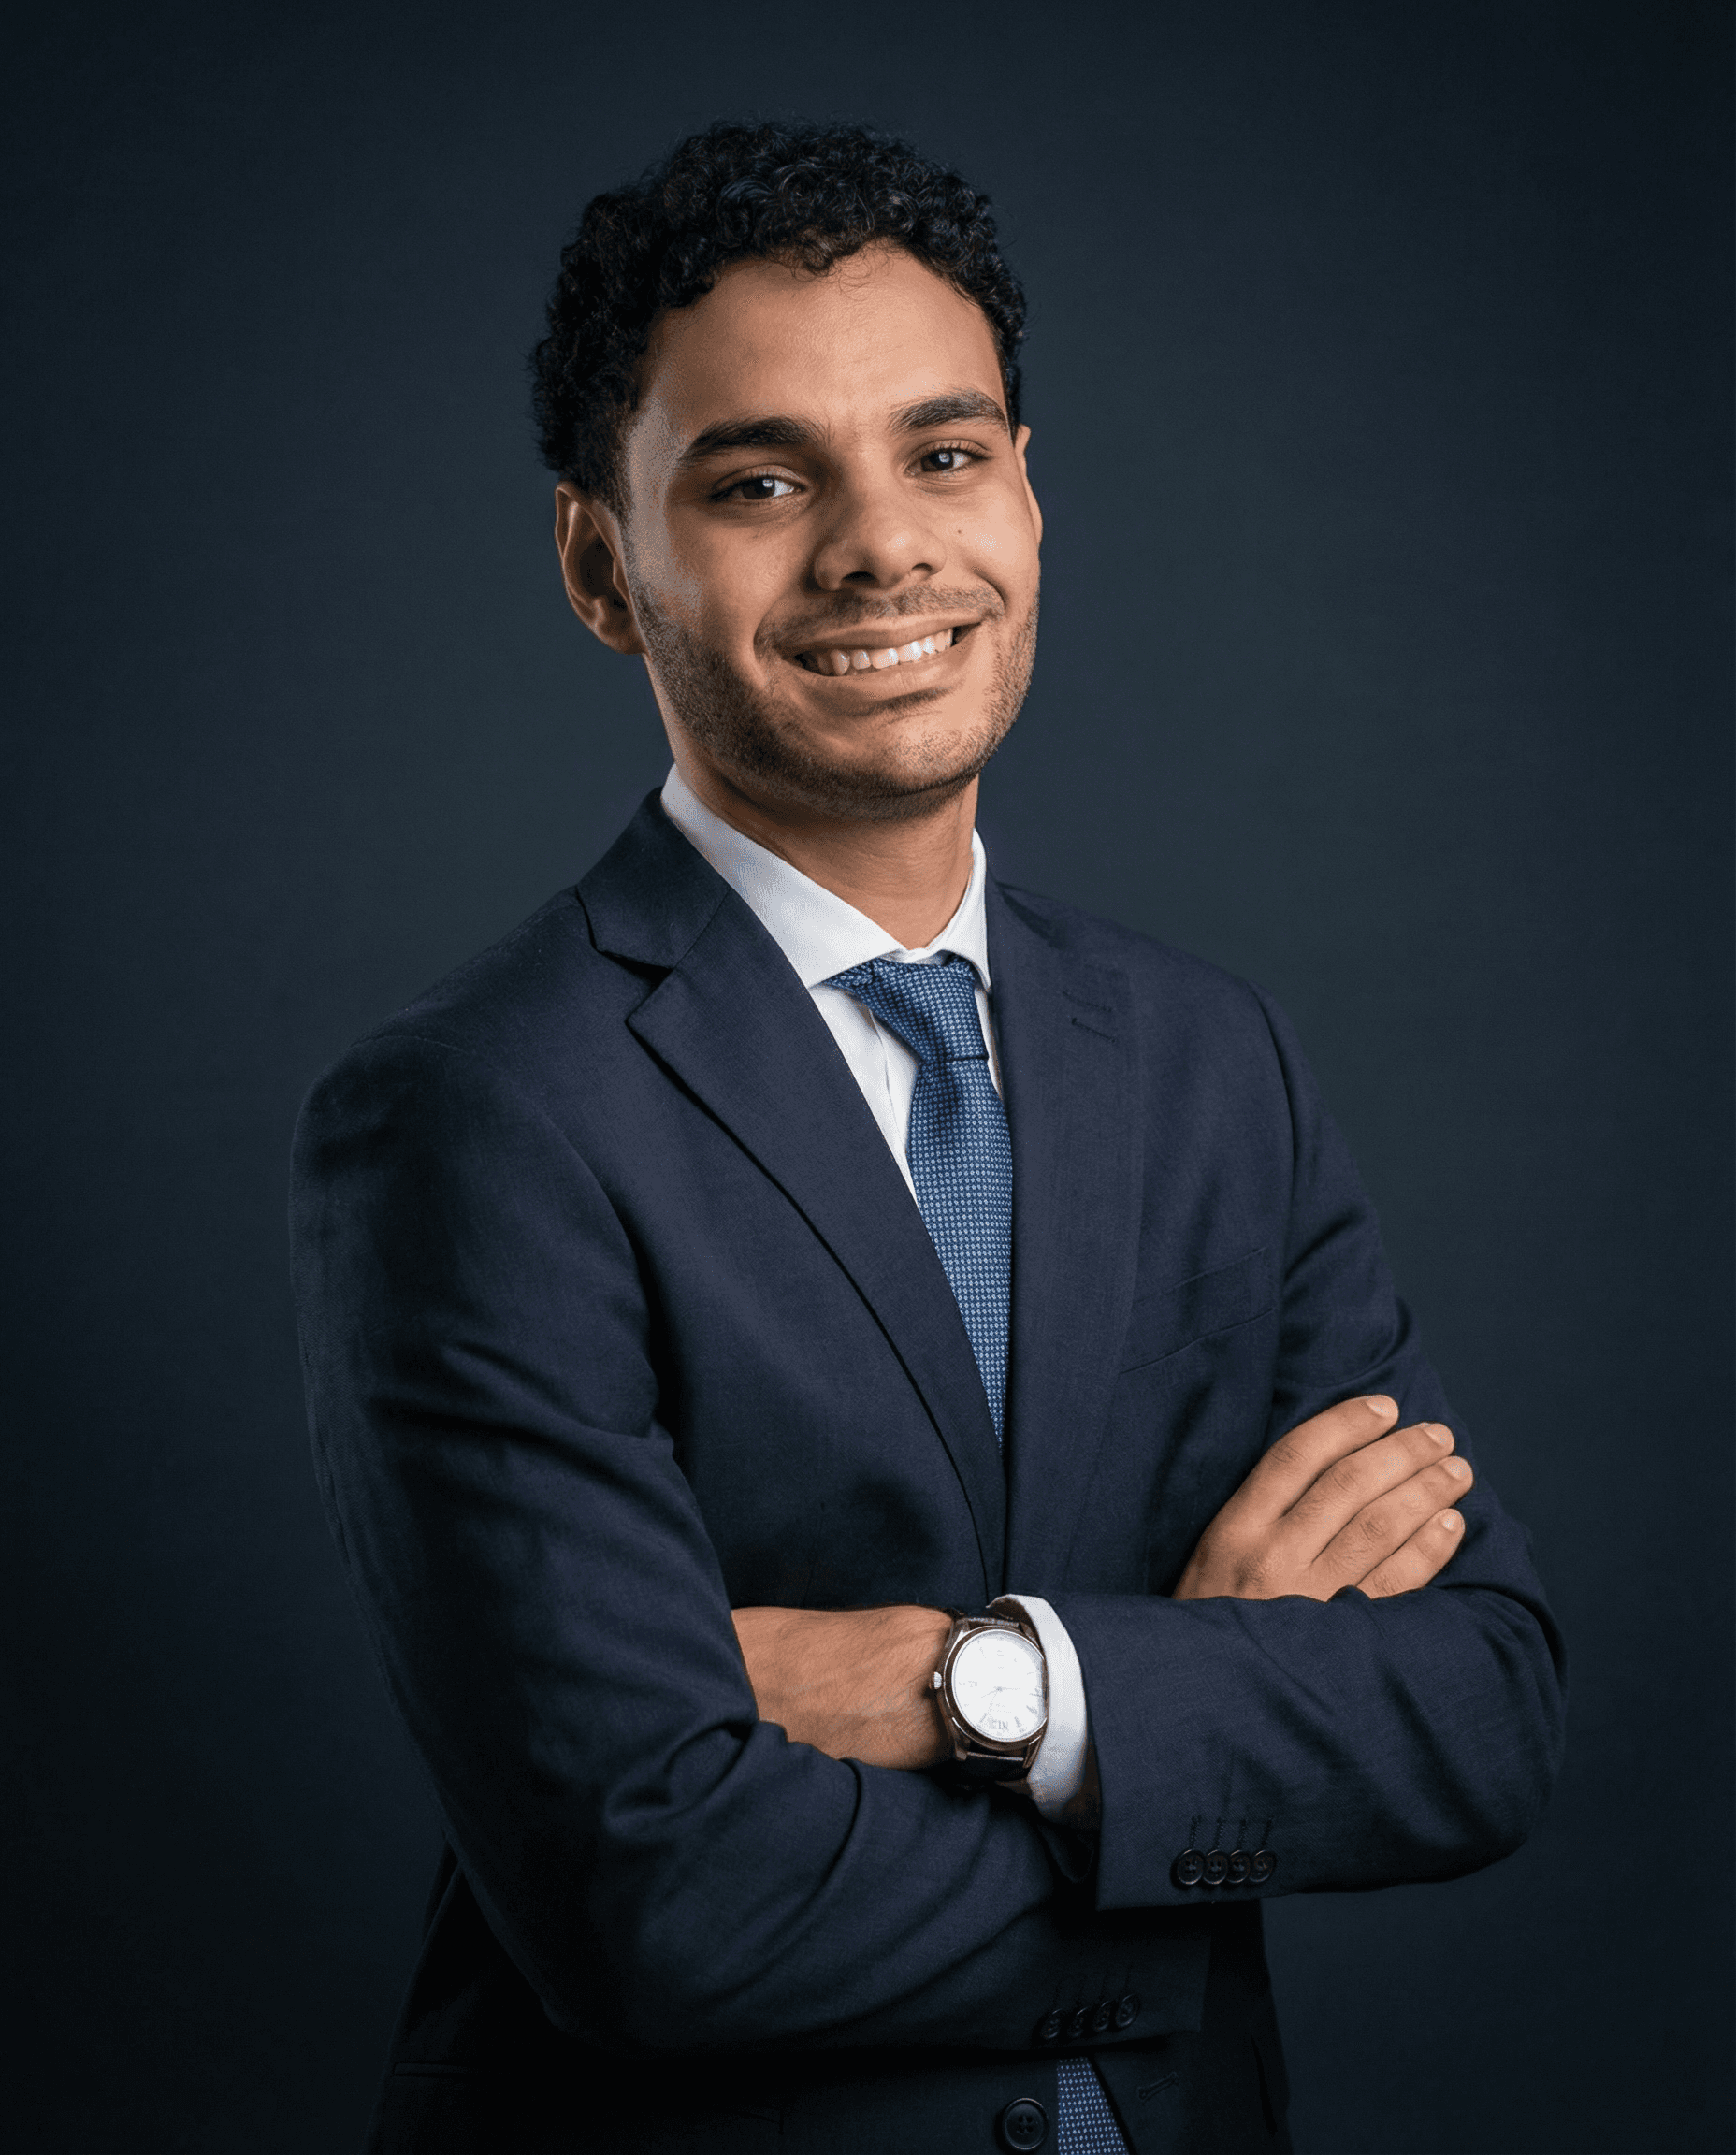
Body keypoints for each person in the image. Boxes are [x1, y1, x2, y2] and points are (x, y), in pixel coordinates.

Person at [290, 120, 1565, 2155]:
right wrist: (1198, 1740)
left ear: (1030, 496)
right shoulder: (476, 1113)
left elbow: (1479, 1716)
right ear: (599, 564)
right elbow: (654, 1911)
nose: (883, 546)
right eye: (762, 479)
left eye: (945, 453)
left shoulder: (1208, 1059)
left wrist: (1008, 1688)